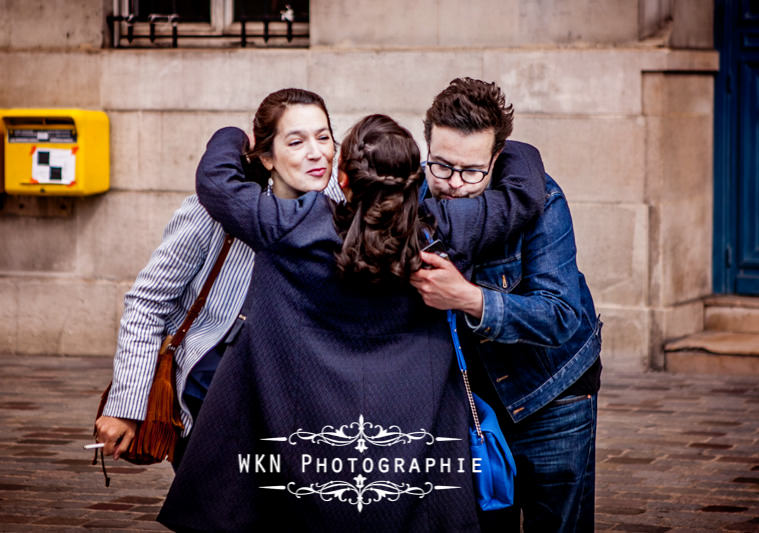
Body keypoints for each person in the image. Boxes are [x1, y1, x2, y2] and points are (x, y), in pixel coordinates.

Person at [157, 113, 546, 532]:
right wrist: (506, 150)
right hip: (414, 452)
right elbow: (525, 189)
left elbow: (216, 180)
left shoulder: (291, 225)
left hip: (302, 453)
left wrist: (234, 135)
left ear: (341, 178)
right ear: (413, 176)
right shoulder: (448, 230)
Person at [94, 89, 344, 464]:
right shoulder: (215, 209)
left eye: (323, 137)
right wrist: (125, 406)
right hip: (213, 397)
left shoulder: (347, 209)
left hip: (303, 406)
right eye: (296, 141)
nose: (317, 152)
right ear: (266, 157)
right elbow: (147, 302)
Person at [410, 77, 603, 532]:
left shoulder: (542, 199)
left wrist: (470, 299)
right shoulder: (414, 197)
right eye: (442, 166)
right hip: (469, 407)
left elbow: (561, 315)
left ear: (496, 159)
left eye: (472, 171)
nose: (455, 184)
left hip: (551, 396)